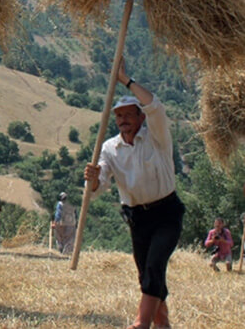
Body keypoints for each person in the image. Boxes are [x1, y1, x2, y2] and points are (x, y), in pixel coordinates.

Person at [84, 57, 184, 329]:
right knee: (147, 276)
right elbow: (98, 186)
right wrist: (92, 179)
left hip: (167, 213)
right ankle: (163, 325)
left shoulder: (157, 137)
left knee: (154, 266)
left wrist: (124, 80)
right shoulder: (109, 148)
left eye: (129, 114)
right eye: (119, 116)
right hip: (137, 218)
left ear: (141, 117)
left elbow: (156, 106)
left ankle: (141, 324)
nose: (123, 120)